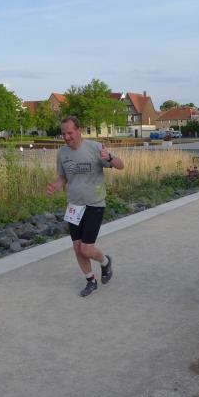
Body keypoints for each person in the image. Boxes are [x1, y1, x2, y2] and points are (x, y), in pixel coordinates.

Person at [46, 116, 124, 297]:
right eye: (63, 134)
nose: (66, 137)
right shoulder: (62, 153)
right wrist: (55, 186)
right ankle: (91, 281)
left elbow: (121, 165)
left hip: (95, 203)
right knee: (77, 247)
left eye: (69, 133)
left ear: (78, 131)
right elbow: (63, 177)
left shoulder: (95, 148)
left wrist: (110, 157)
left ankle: (105, 263)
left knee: (86, 249)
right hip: (74, 205)